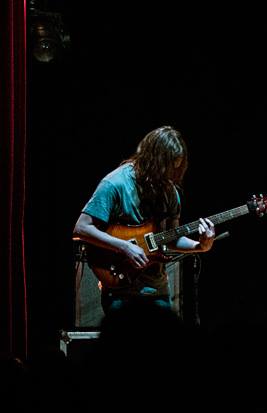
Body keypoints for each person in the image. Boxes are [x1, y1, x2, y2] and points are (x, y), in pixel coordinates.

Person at [73, 126, 215, 314]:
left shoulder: (169, 192)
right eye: (165, 168)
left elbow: (171, 238)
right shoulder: (115, 183)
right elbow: (81, 228)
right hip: (120, 292)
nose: (169, 175)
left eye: (175, 169)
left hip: (157, 291)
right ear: (151, 159)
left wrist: (201, 246)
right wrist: (124, 247)